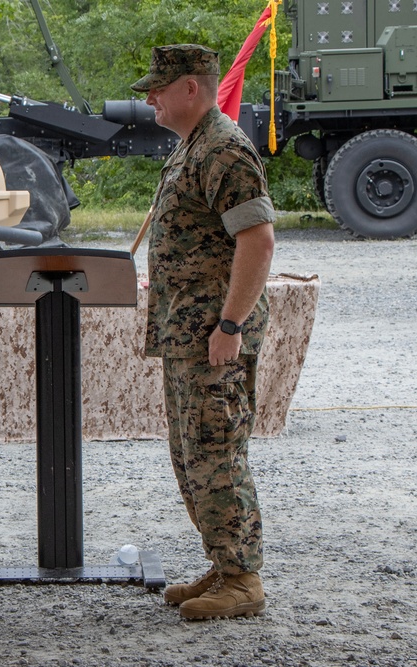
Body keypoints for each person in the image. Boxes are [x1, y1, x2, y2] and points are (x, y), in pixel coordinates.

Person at [130, 44, 275, 619]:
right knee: (193, 455)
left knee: (217, 453)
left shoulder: (224, 149)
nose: (150, 98)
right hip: (188, 337)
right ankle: (223, 562)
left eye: (158, 88)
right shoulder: (193, 146)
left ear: (192, 87)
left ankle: (242, 579)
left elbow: (258, 241)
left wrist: (231, 325)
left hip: (215, 338)